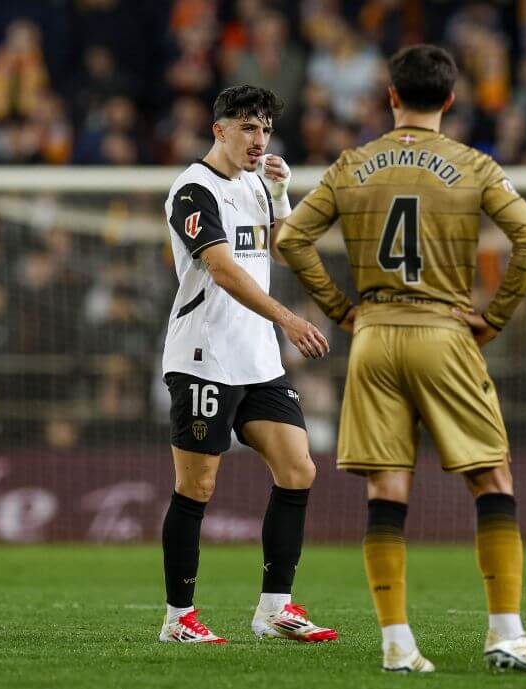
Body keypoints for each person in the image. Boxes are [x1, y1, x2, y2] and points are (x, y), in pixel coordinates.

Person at [277, 44, 526, 674]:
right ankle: (506, 634)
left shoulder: (352, 164)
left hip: (375, 336)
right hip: (443, 331)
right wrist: (494, 317)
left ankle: (397, 644)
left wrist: (342, 310)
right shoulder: (473, 164)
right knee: (492, 478)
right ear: (451, 99)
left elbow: (291, 237)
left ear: (390, 97)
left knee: (387, 488)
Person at [158, 85, 337, 645]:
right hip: (203, 356)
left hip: (257, 360)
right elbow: (225, 269)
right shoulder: (193, 189)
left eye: (264, 130)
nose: (259, 141)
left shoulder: (259, 184)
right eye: (247, 129)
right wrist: (289, 319)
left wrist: (282, 197)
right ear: (220, 130)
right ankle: (177, 618)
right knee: (198, 486)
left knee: (299, 469)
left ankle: (275, 608)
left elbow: (278, 251)